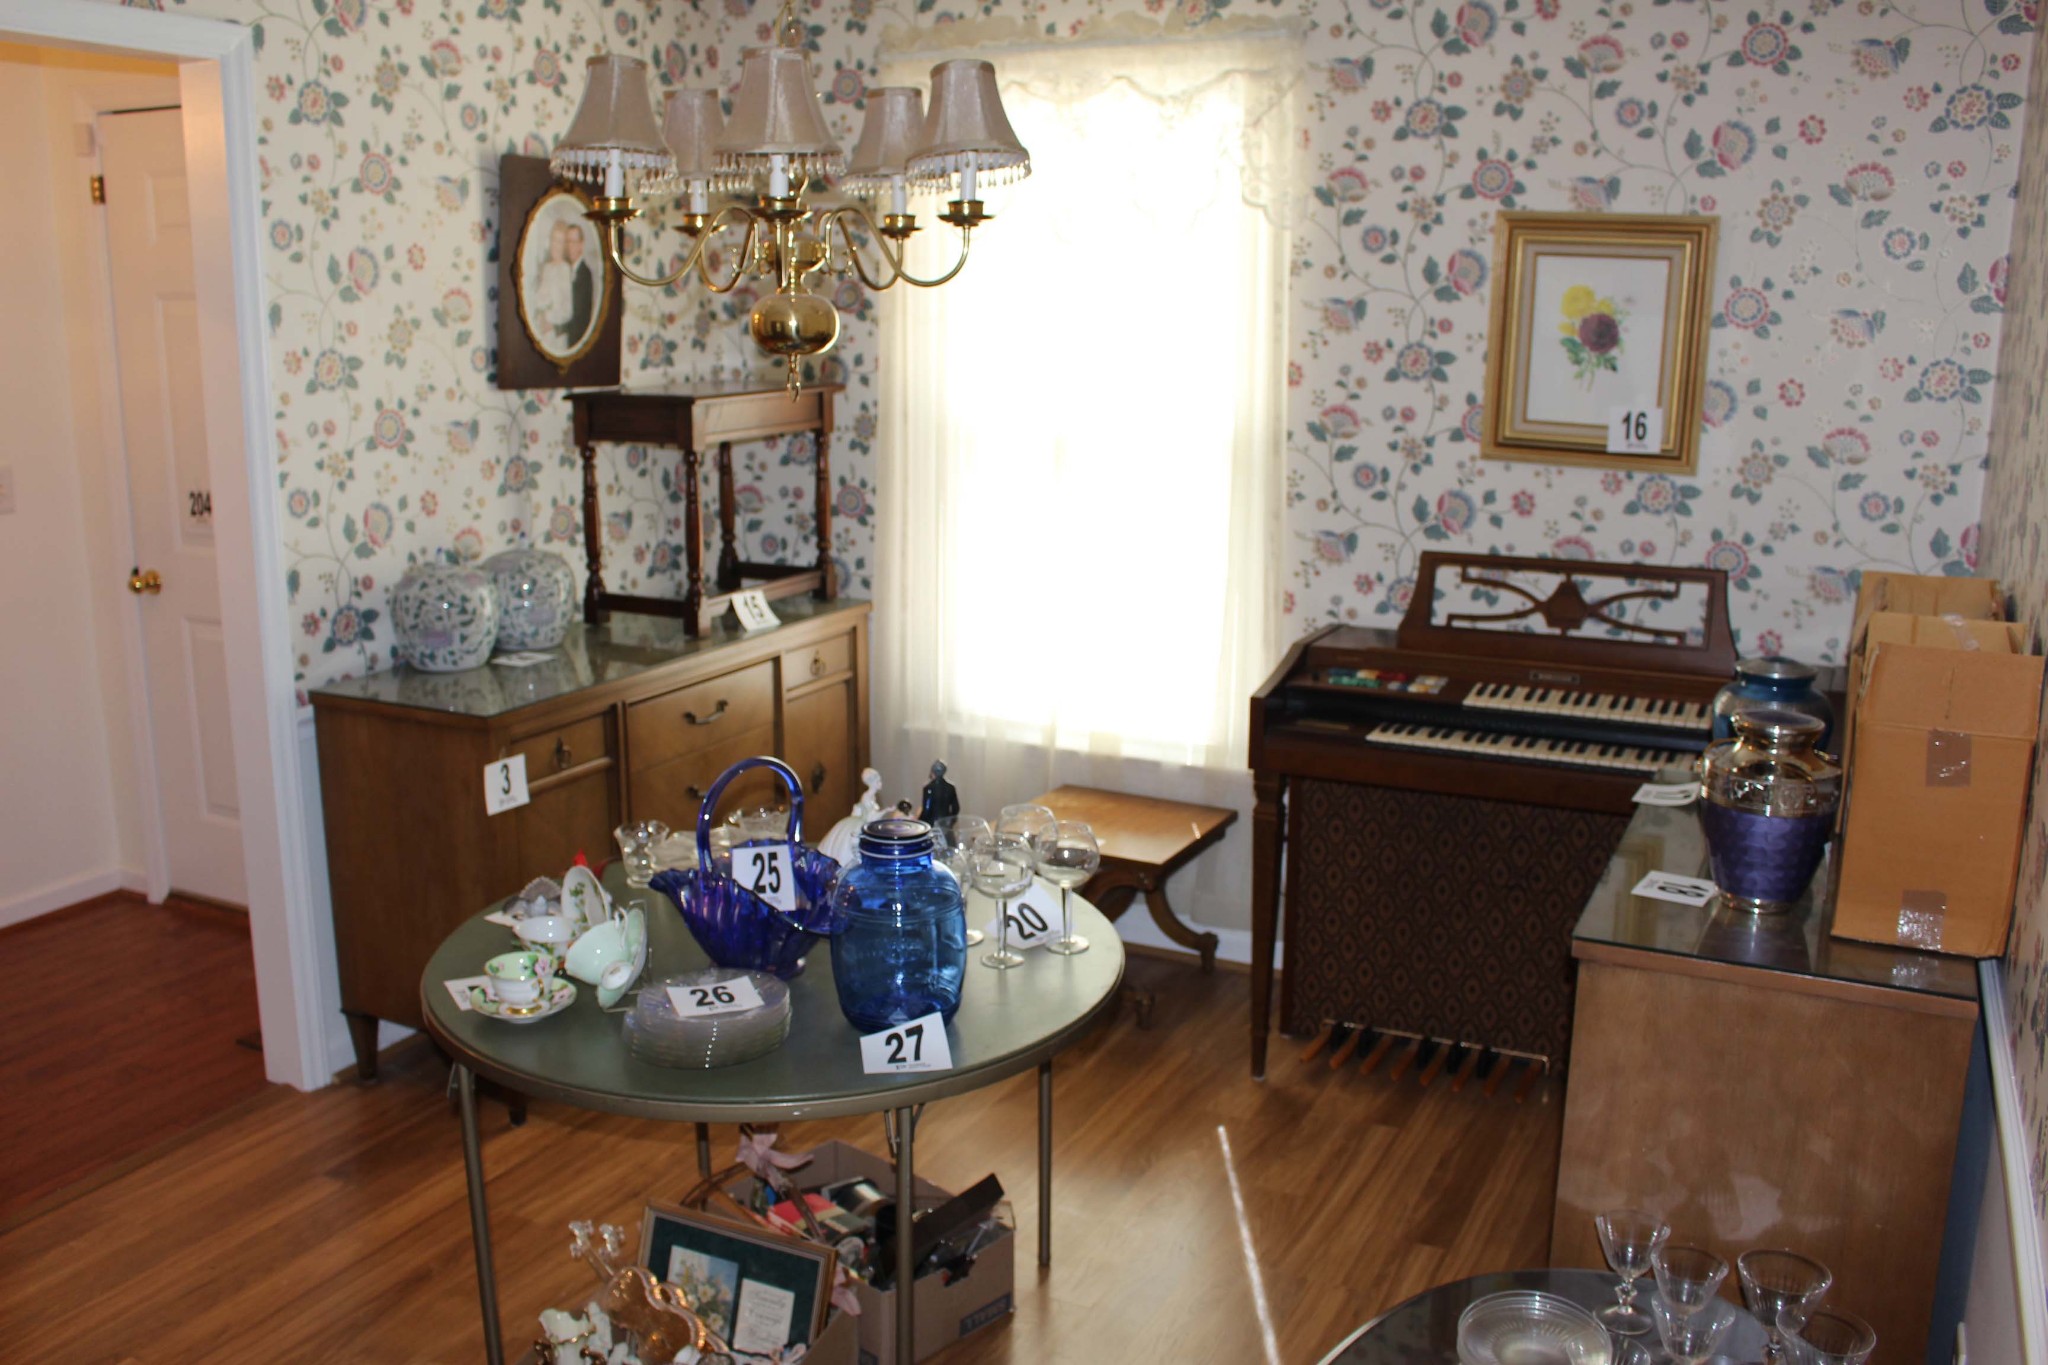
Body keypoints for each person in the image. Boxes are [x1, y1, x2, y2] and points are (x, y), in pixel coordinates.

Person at [528, 219, 574, 348]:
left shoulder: (565, 269)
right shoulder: (547, 268)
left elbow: (567, 310)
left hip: (555, 335)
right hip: (541, 330)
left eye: (559, 241)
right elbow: (538, 298)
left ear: (564, 245)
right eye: (553, 239)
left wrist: (549, 319)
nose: (555, 245)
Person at [563, 223, 595, 347]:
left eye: (573, 242)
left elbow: (579, 315)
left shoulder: (584, 274)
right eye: (568, 242)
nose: (570, 246)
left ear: (581, 244)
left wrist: (556, 328)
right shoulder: (567, 269)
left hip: (577, 338)